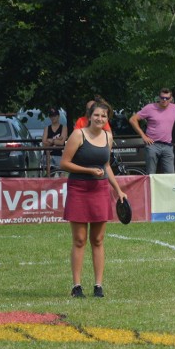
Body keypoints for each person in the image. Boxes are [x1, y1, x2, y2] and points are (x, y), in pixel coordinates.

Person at [59, 100, 127, 299]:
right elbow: (64, 163)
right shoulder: (78, 134)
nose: (100, 119)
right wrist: (88, 170)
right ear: (90, 116)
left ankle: (98, 286)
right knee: (79, 240)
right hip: (79, 189)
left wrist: (118, 190)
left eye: (104, 116)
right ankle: (76, 286)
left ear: (107, 119)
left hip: (100, 189)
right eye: (96, 115)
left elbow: (106, 166)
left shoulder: (108, 136)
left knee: (98, 240)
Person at [41, 108, 66, 173]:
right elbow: (44, 143)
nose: (53, 117)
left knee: (61, 175)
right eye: (51, 116)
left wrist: (51, 140)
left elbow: (61, 142)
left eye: (55, 115)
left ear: (58, 116)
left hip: (59, 155)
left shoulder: (63, 127)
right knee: (48, 175)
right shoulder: (47, 128)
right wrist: (56, 140)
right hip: (48, 155)